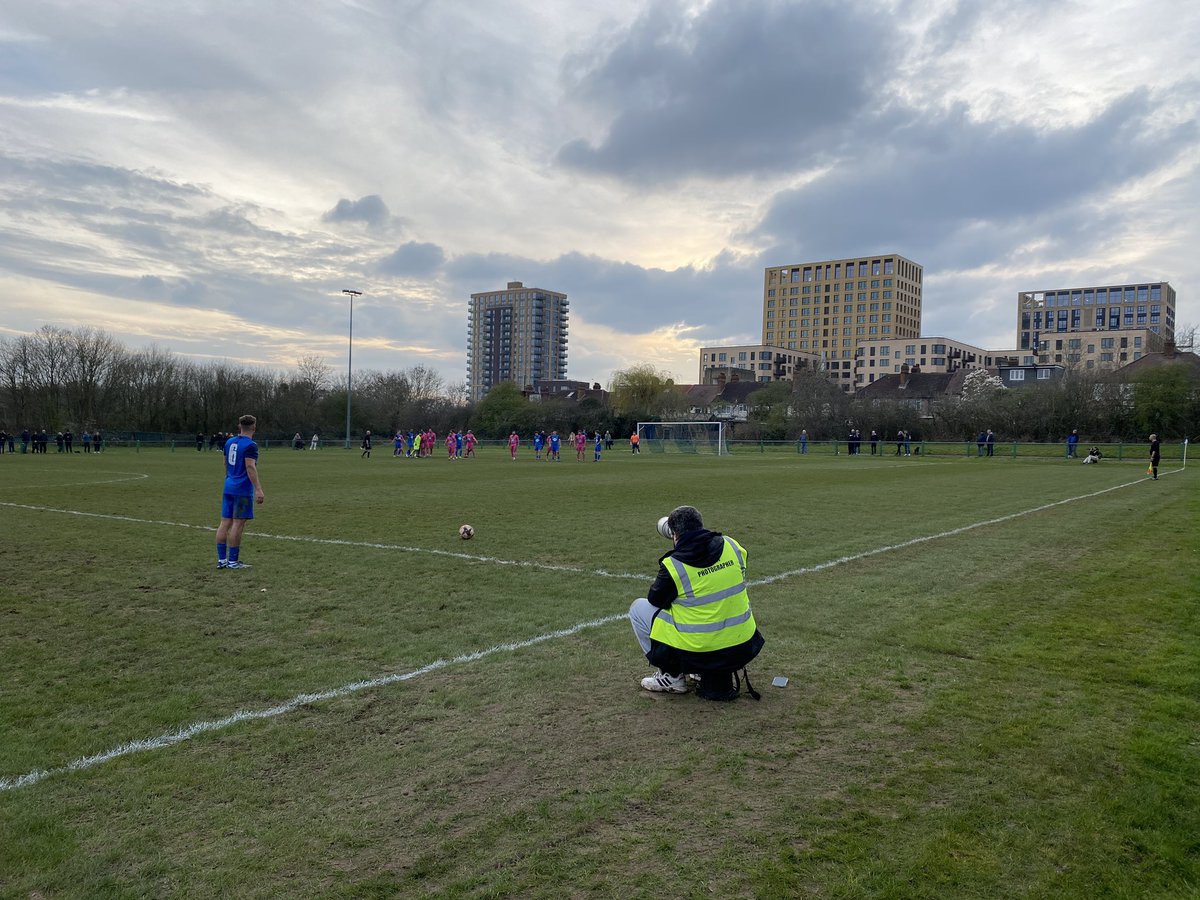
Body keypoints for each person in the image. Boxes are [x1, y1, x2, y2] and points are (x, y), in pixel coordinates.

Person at [629, 505, 764, 700]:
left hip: (701, 652)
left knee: (638, 608)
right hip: (744, 646)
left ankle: (671, 676)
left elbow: (655, 599)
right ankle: (700, 672)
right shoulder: (732, 545)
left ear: (675, 534)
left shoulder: (674, 565)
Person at [216, 414, 265, 570]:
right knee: (238, 524)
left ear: (239, 426)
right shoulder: (251, 445)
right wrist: (258, 489)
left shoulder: (229, 442)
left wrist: (229, 477)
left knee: (225, 523)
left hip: (228, 486)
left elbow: (225, 463)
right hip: (242, 489)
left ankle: (222, 560)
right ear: (254, 427)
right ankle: (233, 562)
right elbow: (250, 466)